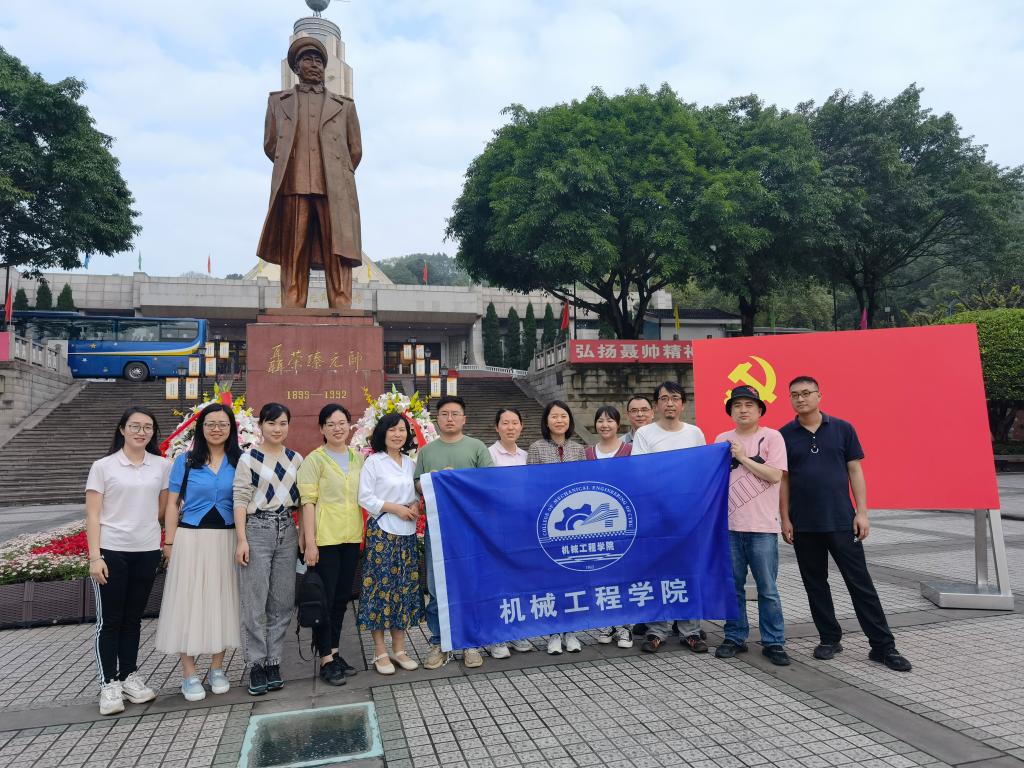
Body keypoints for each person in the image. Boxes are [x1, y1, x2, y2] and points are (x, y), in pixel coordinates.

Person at [780, 376, 912, 672]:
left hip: (842, 521)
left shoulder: (842, 428)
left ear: (819, 395)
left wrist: (862, 512)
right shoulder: (784, 435)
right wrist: (785, 518)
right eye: (794, 395)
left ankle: (883, 646)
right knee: (815, 585)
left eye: (806, 393)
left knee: (860, 583)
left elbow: (855, 470)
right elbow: (784, 480)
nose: (800, 399)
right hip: (804, 524)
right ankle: (829, 638)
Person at [257, 36, 363, 309]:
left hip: (334, 188)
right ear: (296, 67)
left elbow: (355, 150)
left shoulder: (345, 106)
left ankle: (341, 301)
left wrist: (336, 171)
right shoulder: (278, 102)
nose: (314, 65)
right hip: (294, 183)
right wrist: (295, 163)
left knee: (338, 248)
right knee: (293, 247)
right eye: (307, 59)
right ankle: (292, 302)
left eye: (319, 60)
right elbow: (271, 145)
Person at [86, 407, 170, 716]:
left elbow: (162, 510)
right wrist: (95, 557)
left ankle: (129, 676)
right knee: (110, 620)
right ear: (122, 429)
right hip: (112, 551)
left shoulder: (162, 465)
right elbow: (92, 515)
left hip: (146, 551)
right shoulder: (103, 467)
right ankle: (109, 684)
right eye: (135, 426)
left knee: (133, 619)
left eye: (147, 427)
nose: (141, 432)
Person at [155, 403, 241, 702]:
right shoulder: (186, 461)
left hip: (227, 539)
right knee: (188, 602)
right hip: (191, 539)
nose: (216, 429)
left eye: (222, 424)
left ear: (232, 429)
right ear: (201, 428)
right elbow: (172, 504)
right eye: (210, 424)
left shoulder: (239, 461)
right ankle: (189, 673)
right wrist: (169, 543)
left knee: (222, 601)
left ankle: (217, 668)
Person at [414, 395, 494, 670]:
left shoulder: (476, 447)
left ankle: (471, 642)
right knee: (437, 586)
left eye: (455, 414)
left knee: (471, 583)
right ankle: (440, 642)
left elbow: (489, 481)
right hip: (438, 529)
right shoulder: (427, 452)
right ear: (437, 419)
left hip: (470, 527)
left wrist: (455, 478)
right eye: (445, 414)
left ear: (464, 418)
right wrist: (434, 479)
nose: (450, 418)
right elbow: (417, 484)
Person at [713, 385, 790, 666]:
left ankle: (773, 641)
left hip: (762, 528)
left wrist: (743, 457)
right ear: (731, 411)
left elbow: (774, 475)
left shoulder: (772, 437)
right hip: (729, 527)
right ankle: (734, 636)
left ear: (759, 410)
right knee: (733, 587)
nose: (743, 410)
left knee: (767, 588)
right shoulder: (721, 439)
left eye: (749, 405)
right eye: (737, 405)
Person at [631, 381, 708, 654]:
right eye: (664, 399)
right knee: (657, 572)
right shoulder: (645, 434)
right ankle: (656, 630)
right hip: (656, 516)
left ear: (683, 404)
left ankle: (690, 631)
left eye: (675, 398)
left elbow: (702, 473)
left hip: (688, 516)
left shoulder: (695, 433)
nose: (670, 403)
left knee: (689, 572)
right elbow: (640, 473)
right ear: (656, 405)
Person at [233, 403, 303, 695]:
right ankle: (256, 664)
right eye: (272, 423)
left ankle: (274, 661)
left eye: (283, 423)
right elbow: (240, 499)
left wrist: (302, 536)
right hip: (257, 529)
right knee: (255, 602)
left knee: (282, 601)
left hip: (287, 529)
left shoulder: (295, 459)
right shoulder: (249, 459)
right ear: (260, 425)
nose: (277, 429)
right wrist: (242, 539)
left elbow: (303, 501)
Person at [297, 404, 365, 686]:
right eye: (331, 424)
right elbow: (308, 503)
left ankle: (334, 652)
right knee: (323, 600)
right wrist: (310, 543)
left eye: (342, 423)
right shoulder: (315, 460)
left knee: (341, 600)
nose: (338, 428)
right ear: (322, 428)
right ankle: (325, 659)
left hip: (351, 537)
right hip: (325, 540)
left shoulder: (358, 458)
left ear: (350, 426)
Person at [357, 413, 426, 674]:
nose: (398, 434)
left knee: (403, 589)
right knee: (380, 590)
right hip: (383, 533)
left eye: (402, 430)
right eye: (392, 430)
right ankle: (380, 651)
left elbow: (415, 494)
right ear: (382, 433)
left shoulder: (410, 463)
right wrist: (395, 508)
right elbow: (365, 497)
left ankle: (399, 648)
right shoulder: (374, 462)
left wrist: (415, 505)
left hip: (406, 534)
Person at [527, 400, 587, 655]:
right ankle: (553, 633)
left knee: (573, 576)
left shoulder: (578, 449)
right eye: (554, 416)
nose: (559, 420)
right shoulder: (536, 448)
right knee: (550, 576)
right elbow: (530, 483)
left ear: (569, 420)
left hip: (574, 524)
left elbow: (584, 483)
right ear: (546, 421)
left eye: (563, 416)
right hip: (548, 522)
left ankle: (571, 631)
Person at [585, 405, 634, 649]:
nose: (605, 425)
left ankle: (625, 627)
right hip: (595, 525)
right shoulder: (586, 453)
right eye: (600, 420)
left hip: (623, 522)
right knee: (601, 573)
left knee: (624, 573)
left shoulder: (630, 451)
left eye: (610, 420)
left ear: (618, 424)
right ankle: (608, 623)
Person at [487, 407, 533, 656]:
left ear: (521, 426)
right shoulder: (488, 455)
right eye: (505, 423)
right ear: (497, 427)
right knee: (498, 582)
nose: (510, 427)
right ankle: (497, 636)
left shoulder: (526, 456)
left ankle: (517, 632)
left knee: (519, 579)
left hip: (522, 528)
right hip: (496, 529)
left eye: (515, 422)